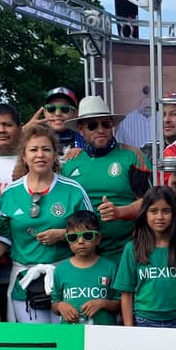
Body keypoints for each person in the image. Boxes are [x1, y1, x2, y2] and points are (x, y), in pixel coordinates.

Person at [0, 122, 92, 323]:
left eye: (46, 149)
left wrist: (63, 234)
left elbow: (92, 230)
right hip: (25, 279)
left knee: (69, 343)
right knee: (35, 344)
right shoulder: (10, 193)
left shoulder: (74, 189)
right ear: (24, 156)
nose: (40, 155)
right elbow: (5, 238)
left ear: (55, 155)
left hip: (65, 276)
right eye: (33, 150)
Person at [60, 96, 150, 261]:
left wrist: (120, 212)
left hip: (127, 252)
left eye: (106, 124)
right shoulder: (69, 164)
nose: (100, 130)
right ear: (81, 129)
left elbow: (150, 202)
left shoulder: (132, 156)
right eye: (92, 125)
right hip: (83, 256)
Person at [114, 186, 176, 328]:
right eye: (153, 211)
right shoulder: (133, 248)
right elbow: (126, 293)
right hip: (144, 321)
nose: (160, 217)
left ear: (174, 213)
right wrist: (129, 329)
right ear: (145, 214)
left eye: (166, 211)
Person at [50, 210, 119, 325]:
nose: (80, 241)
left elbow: (119, 303)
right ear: (67, 240)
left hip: (103, 334)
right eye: (73, 237)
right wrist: (61, 306)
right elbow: (54, 303)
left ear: (98, 238)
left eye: (87, 236)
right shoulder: (60, 270)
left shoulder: (110, 267)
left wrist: (102, 303)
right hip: (71, 334)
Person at [31, 86, 85, 158]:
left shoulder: (85, 134)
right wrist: (24, 131)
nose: (57, 114)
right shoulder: (33, 134)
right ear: (44, 113)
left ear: (75, 113)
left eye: (65, 109)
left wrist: (85, 152)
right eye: (51, 109)